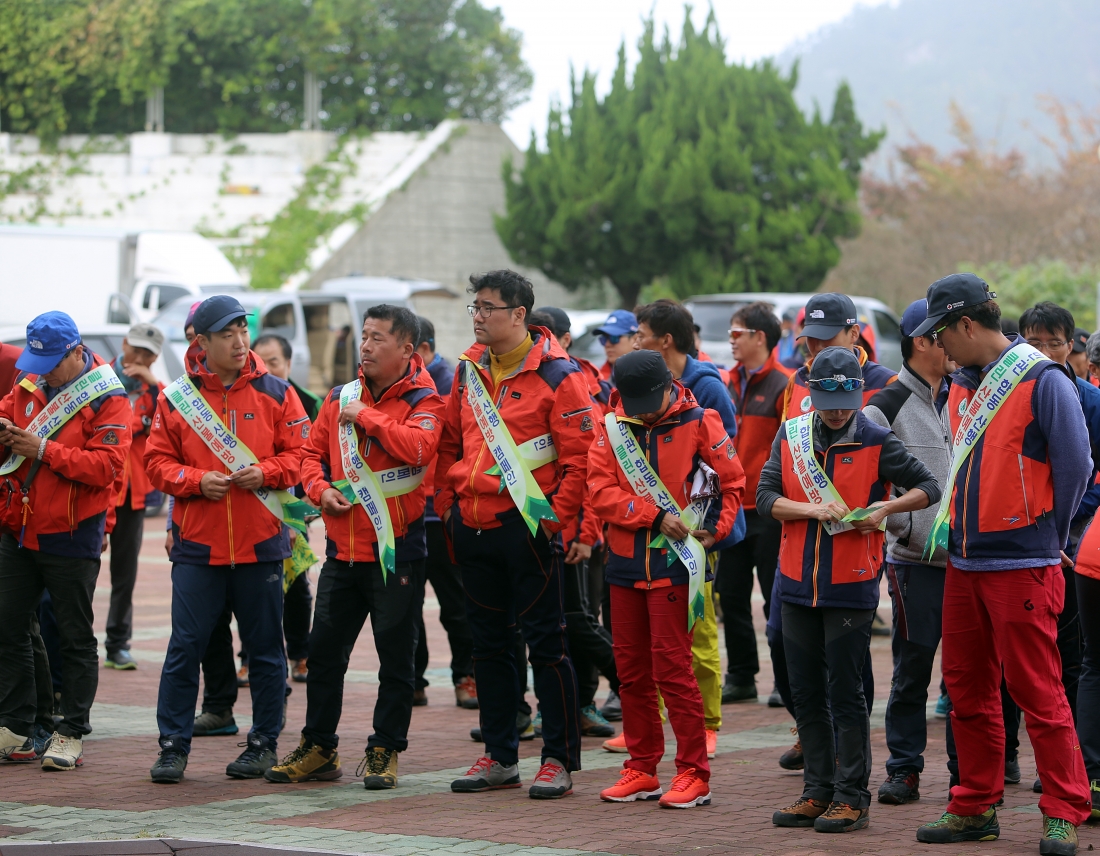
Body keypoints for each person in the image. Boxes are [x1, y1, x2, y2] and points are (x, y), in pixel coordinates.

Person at [908, 274, 1091, 855]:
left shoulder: (1043, 380)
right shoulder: (962, 383)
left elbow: (1077, 468)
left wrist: (1046, 534)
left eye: (940, 333)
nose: (936, 345)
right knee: (967, 692)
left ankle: (1063, 810)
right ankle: (974, 805)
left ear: (965, 324)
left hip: (1023, 564)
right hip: (964, 562)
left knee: (1040, 692)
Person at [266, 304, 445, 789]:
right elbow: (309, 455)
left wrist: (367, 416)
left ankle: (385, 749)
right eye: (364, 336)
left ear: (406, 348)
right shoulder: (339, 397)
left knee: (396, 659)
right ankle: (319, 748)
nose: (364, 346)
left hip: (396, 552)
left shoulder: (426, 400)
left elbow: (420, 448)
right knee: (323, 654)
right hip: (341, 552)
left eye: (377, 338)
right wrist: (319, 489)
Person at [763, 347, 939, 833]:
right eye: (828, 403)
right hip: (796, 584)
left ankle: (852, 797)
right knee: (806, 693)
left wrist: (885, 509)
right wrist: (812, 510)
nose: (838, 413)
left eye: (846, 403)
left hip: (851, 584)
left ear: (859, 396)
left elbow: (928, 486)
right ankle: (816, 791)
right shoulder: (791, 435)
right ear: (813, 396)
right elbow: (765, 497)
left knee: (846, 693)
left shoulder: (876, 438)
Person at [438, 269, 590, 800]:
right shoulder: (468, 371)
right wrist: (449, 507)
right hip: (473, 527)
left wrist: (552, 523)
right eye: (475, 307)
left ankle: (558, 759)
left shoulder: (559, 375)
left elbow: (580, 461)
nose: (477, 316)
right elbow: (449, 444)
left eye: (488, 307)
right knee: (488, 649)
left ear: (519, 314)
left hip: (527, 531)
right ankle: (500, 756)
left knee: (547, 646)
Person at [145, 295, 309, 784]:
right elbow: (156, 462)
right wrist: (195, 481)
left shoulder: (277, 392)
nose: (239, 342)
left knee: (265, 650)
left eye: (243, 330)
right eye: (226, 334)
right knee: (184, 648)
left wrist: (267, 472)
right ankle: (172, 746)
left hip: (261, 544)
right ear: (202, 341)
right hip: (197, 546)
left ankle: (263, 743)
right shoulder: (176, 398)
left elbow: (303, 455)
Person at [587, 350, 745, 808]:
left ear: (669, 384)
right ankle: (641, 768)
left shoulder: (700, 420)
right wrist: (652, 516)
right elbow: (599, 491)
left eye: (649, 402)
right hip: (624, 564)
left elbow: (731, 482)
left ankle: (694, 773)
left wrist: (713, 531)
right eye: (633, 404)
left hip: (678, 566)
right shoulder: (611, 426)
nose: (642, 412)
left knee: (674, 670)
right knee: (631, 673)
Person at [0, 311, 132, 770]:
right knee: (9, 625)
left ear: (77, 352)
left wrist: (43, 449)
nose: (44, 373)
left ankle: (71, 730)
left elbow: (106, 468)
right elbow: (7, 411)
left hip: (74, 532)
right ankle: (18, 725)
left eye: (52, 363)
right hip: (18, 524)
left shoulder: (108, 395)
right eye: (37, 362)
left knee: (74, 636)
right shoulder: (29, 380)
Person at [859, 299, 954, 805]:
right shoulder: (883, 407)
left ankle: (972, 770)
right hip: (915, 562)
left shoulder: (968, 394)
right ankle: (903, 768)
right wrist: (900, 520)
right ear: (922, 341)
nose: (956, 344)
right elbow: (866, 485)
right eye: (946, 334)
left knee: (968, 674)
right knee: (913, 668)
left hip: (970, 560)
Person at [630, 299, 734, 757]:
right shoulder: (637, 390)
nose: (635, 341)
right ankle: (650, 722)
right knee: (649, 638)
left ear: (665, 340)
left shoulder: (706, 387)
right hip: (649, 531)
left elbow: (724, 461)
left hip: (696, 532)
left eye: (641, 333)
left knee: (699, 628)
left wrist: (709, 525)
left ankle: (708, 723)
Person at [1017, 303, 1100, 795]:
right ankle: (1032, 762)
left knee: (1074, 659)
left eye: (1055, 343)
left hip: (1076, 540)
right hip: (1026, 540)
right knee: (1031, 661)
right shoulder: (1011, 392)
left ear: (1073, 346)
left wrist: (1062, 520)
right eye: (1035, 342)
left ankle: (1069, 765)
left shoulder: (1089, 400)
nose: (1046, 351)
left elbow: (1090, 472)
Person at [531, 307, 619, 739]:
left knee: (579, 620)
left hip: (578, 530)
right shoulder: (527, 381)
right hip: (542, 526)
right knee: (551, 624)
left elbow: (591, 468)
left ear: (564, 340)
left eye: (544, 338)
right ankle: (560, 706)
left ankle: (625, 686)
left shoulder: (585, 386)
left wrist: (585, 534)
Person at [718, 302, 791, 705]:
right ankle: (742, 675)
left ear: (759, 337)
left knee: (776, 596)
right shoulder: (725, 382)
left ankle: (785, 680)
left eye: (736, 333)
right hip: (731, 510)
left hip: (768, 510)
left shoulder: (785, 384)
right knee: (731, 595)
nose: (731, 341)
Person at [410, 316, 477, 709]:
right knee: (406, 605)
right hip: (406, 513)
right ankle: (413, 679)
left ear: (421, 349)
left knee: (456, 603)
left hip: (440, 514)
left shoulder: (454, 384)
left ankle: (465, 677)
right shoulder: (394, 384)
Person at [102, 323, 165, 671]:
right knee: (79, 570)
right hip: (97, 488)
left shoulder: (156, 392)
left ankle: (117, 644)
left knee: (124, 574)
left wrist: (153, 383)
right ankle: (71, 645)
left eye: (147, 354)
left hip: (131, 494)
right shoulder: (99, 381)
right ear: (124, 343)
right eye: (135, 348)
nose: (138, 358)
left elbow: (172, 421)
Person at [781, 293, 897, 420]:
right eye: (811, 336)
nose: (818, 346)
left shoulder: (887, 383)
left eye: (827, 335)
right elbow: (785, 432)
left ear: (853, 333)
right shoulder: (797, 380)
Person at [592, 310, 639, 385]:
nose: (607, 344)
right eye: (604, 339)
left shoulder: (651, 377)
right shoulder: (595, 379)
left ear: (635, 339)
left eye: (614, 338)